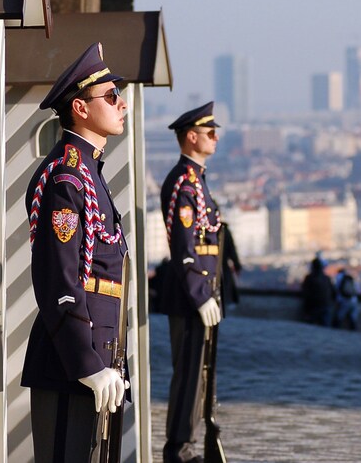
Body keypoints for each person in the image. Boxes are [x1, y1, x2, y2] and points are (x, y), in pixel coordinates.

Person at [21, 43, 130, 462]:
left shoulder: (89, 172)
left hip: (98, 353)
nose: (120, 104)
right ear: (80, 108)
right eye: (110, 96)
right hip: (73, 361)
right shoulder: (66, 177)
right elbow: (60, 279)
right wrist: (85, 362)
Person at [159, 101, 225, 463]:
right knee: (188, 373)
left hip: (200, 292)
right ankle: (179, 449)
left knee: (201, 374)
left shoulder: (197, 180)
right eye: (209, 131)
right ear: (191, 136)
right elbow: (184, 247)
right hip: (189, 295)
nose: (216, 137)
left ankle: (188, 443)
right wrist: (201, 295)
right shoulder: (184, 182)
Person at [301, 252, 335, 326]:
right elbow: (333, 291)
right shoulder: (326, 278)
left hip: (314, 306)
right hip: (326, 304)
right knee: (325, 327)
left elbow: (305, 291)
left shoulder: (309, 278)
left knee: (312, 328)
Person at [334, 266, 359, 330]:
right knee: (353, 317)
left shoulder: (339, 277)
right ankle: (353, 330)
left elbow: (337, 289)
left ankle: (337, 328)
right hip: (353, 300)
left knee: (340, 316)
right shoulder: (350, 278)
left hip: (345, 300)